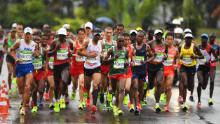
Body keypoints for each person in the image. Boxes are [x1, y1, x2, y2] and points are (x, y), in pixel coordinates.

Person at [10, 27, 39, 115]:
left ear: (31, 35)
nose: (28, 36)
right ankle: (24, 100)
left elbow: (37, 54)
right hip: (20, 66)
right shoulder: (19, 42)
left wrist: (36, 54)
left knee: (27, 86)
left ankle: (23, 107)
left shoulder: (34, 44)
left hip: (29, 66)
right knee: (21, 90)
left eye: (29, 34)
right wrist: (16, 58)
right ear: (24, 35)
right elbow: (11, 50)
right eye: (26, 34)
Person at [47, 28, 73, 112]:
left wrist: (70, 54)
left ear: (66, 36)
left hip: (65, 64)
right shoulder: (54, 42)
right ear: (58, 36)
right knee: (57, 84)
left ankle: (62, 97)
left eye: (63, 36)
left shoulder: (69, 42)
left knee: (64, 81)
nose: (61, 38)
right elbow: (48, 53)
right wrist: (55, 50)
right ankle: (57, 101)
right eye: (60, 36)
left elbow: (72, 51)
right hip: (56, 65)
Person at [104, 35, 129, 116]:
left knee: (121, 90)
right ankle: (115, 105)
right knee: (115, 91)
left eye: (122, 41)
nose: (121, 43)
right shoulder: (112, 49)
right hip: (113, 73)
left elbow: (127, 60)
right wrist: (113, 58)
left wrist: (126, 63)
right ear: (116, 41)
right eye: (119, 41)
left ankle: (119, 108)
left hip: (122, 73)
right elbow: (104, 61)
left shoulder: (126, 50)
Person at [78, 30, 102, 114]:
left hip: (97, 67)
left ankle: (94, 105)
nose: (97, 37)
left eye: (98, 35)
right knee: (86, 86)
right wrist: (88, 55)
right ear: (93, 35)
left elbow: (102, 54)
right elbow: (78, 52)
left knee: (95, 85)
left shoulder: (101, 43)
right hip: (87, 67)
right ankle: (87, 98)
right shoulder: (88, 42)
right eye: (95, 35)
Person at [179, 33, 203, 112]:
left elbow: (202, 56)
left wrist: (195, 56)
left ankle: (189, 94)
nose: (188, 40)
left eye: (190, 38)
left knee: (190, 86)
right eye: (187, 38)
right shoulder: (181, 46)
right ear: (184, 39)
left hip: (192, 68)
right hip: (183, 67)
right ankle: (184, 103)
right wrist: (180, 57)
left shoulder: (195, 47)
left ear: (191, 39)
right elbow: (178, 55)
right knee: (185, 83)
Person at [131, 31, 151, 115]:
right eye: (138, 36)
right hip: (134, 70)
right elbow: (128, 56)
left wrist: (145, 61)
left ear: (143, 38)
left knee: (141, 88)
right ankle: (136, 105)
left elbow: (152, 55)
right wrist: (131, 61)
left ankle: (139, 101)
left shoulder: (146, 47)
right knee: (135, 87)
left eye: (141, 37)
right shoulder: (132, 46)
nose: (139, 38)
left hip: (142, 70)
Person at [197, 34, 218, 109]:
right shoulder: (198, 47)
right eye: (202, 38)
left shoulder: (212, 48)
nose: (203, 40)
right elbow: (194, 54)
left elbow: (217, 57)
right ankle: (199, 101)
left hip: (209, 67)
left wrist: (211, 61)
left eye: (205, 38)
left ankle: (210, 98)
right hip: (200, 67)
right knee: (200, 82)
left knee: (206, 85)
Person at [147, 29, 166, 113]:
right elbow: (145, 51)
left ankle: (157, 104)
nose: (159, 36)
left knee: (158, 82)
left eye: (160, 35)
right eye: (157, 35)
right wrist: (150, 54)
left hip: (159, 66)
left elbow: (166, 52)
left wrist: (165, 56)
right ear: (155, 35)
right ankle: (148, 90)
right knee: (150, 85)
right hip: (151, 66)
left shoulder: (164, 44)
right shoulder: (150, 43)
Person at [70, 28, 86, 110]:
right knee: (75, 84)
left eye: (82, 34)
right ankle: (73, 90)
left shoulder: (86, 44)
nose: (81, 36)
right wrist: (75, 55)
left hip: (82, 68)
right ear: (77, 35)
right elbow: (71, 53)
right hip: (74, 67)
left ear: (85, 35)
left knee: (81, 83)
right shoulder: (74, 44)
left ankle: (81, 102)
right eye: (79, 34)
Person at [163, 32, 179, 112]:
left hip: (170, 71)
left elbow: (177, 58)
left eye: (171, 39)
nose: (169, 41)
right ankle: (158, 102)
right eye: (168, 39)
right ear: (165, 39)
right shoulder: (162, 48)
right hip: (161, 70)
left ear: (173, 40)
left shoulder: (175, 49)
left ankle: (166, 105)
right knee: (161, 88)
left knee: (169, 87)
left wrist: (176, 64)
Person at [31, 34, 47, 113]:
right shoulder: (29, 50)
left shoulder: (43, 50)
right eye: (35, 40)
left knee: (41, 88)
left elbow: (46, 59)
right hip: (32, 72)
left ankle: (40, 99)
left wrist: (45, 66)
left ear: (40, 41)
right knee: (34, 89)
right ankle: (34, 104)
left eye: (38, 40)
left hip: (40, 71)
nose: (36, 41)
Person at [100, 27, 115, 109]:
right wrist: (102, 55)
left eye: (110, 32)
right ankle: (102, 92)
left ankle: (108, 102)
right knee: (103, 84)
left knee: (110, 84)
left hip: (112, 65)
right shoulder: (101, 42)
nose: (109, 34)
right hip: (103, 65)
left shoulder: (115, 43)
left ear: (112, 33)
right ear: (104, 33)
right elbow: (99, 53)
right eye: (107, 32)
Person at [4, 24, 17, 94]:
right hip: (9, 57)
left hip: (16, 57)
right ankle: (9, 87)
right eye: (13, 31)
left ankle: (14, 87)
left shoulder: (18, 39)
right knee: (10, 72)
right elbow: (5, 48)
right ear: (11, 31)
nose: (14, 33)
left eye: (15, 31)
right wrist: (6, 50)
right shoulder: (7, 38)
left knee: (14, 74)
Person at [208, 34, 220, 106]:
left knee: (212, 81)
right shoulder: (206, 45)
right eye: (211, 37)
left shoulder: (217, 46)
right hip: (205, 66)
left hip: (213, 66)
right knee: (204, 83)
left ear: (215, 39)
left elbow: (218, 56)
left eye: (213, 38)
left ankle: (210, 98)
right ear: (209, 38)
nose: (212, 39)